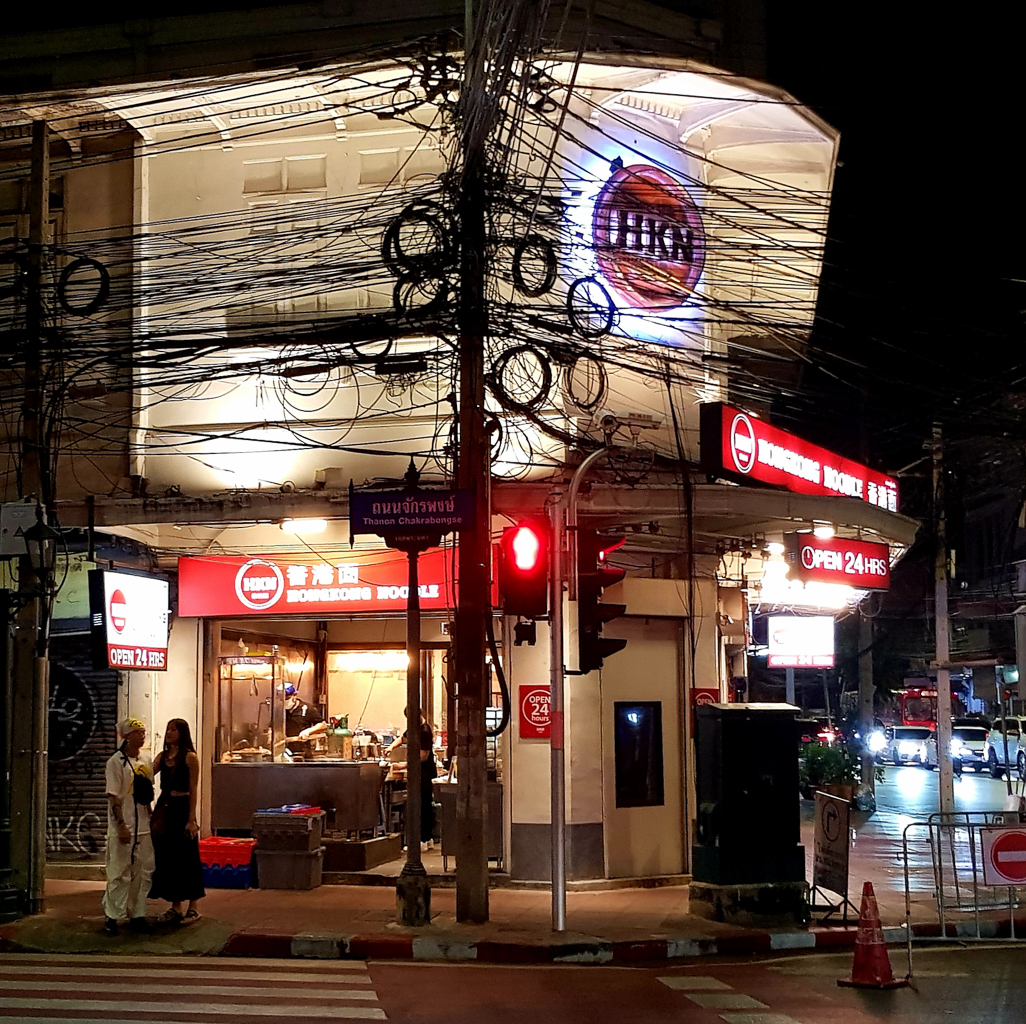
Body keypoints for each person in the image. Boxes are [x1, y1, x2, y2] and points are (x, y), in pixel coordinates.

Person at [149, 718, 205, 925]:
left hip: (182, 808)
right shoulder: (162, 757)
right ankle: (175, 905)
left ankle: (193, 906)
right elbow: (147, 773)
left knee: (187, 856)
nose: (169, 733)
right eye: (168, 729)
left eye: (173, 730)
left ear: (182, 733)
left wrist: (192, 818)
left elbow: (193, 788)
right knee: (168, 857)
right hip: (165, 808)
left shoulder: (190, 757)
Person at [102, 717, 155, 936]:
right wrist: (121, 826)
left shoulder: (146, 759)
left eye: (143, 732)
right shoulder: (115, 762)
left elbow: (148, 792)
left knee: (143, 872)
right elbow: (113, 797)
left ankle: (137, 914)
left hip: (143, 825)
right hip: (124, 826)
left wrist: (150, 815)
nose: (142, 736)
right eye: (137, 733)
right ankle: (112, 915)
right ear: (126, 736)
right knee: (119, 871)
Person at [388, 708, 437, 851]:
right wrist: (390, 748)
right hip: (418, 773)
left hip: (424, 774)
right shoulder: (414, 728)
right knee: (423, 806)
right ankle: (427, 839)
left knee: (422, 807)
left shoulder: (425, 731)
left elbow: (423, 756)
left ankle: (423, 840)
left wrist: (404, 765)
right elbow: (402, 738)